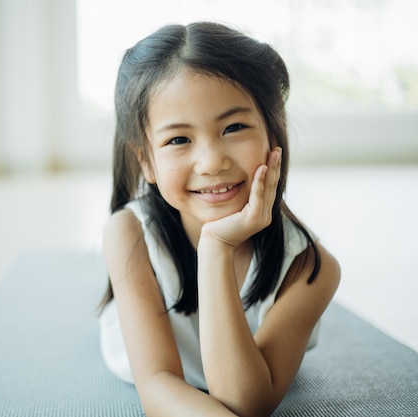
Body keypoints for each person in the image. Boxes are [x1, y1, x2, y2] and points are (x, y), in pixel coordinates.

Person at [98, 21, 341, 417]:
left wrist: (216, 247)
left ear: (273, 136)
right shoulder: (129, 235)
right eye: (178, 139)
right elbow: (159, 385)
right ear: (146, 161)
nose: (212, 162)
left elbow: (246, 402)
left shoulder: (310, 268)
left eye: (234, 127)